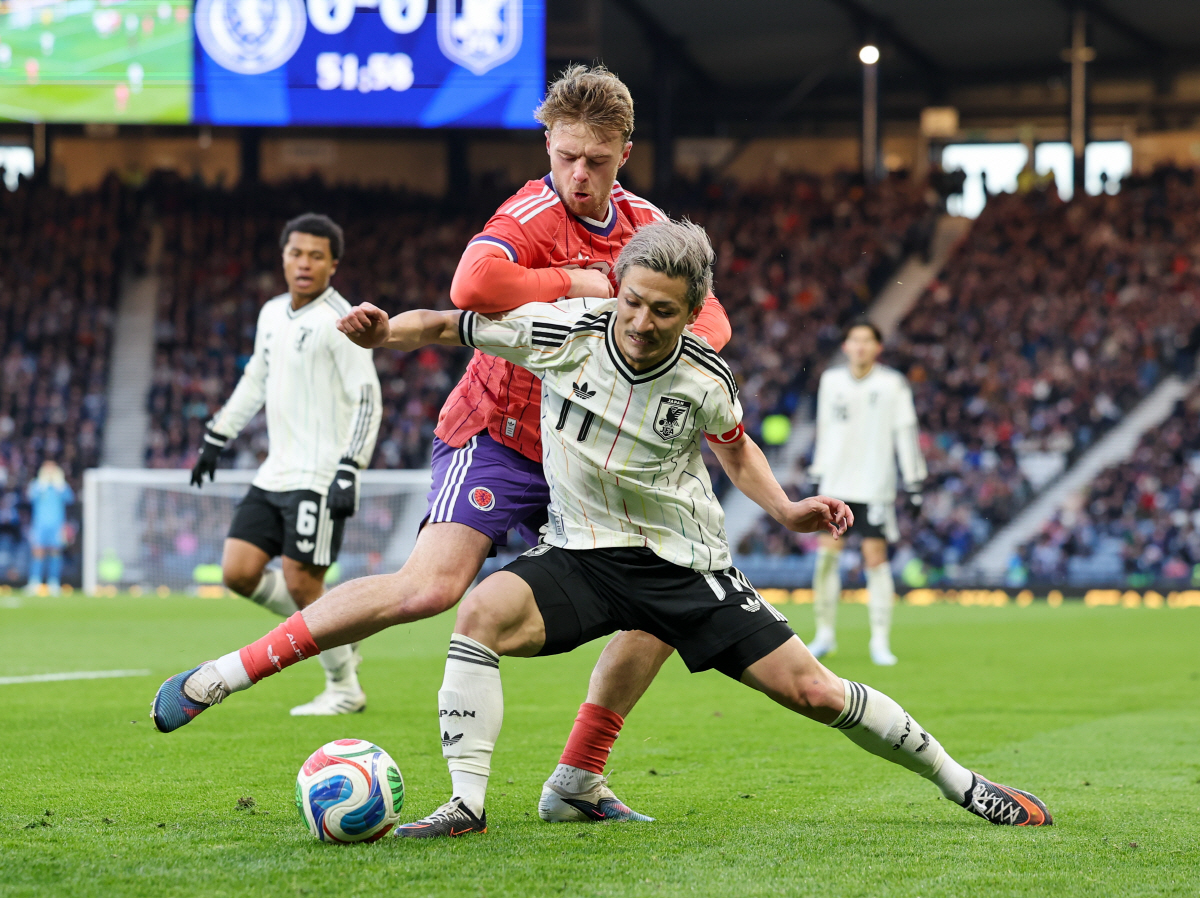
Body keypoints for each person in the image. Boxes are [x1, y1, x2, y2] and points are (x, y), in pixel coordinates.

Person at [154, 221, 1052, 836]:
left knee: (814, 693)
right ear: (617, 289)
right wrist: (385, 334)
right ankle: (466, 805)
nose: (643, 323)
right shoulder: (565, 332)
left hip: (681, 566)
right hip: (581, 553)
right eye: (633, 302)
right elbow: (454, 324)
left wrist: (786, 508)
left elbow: (735, 448)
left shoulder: (704, 377)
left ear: (691, 312)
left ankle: (963, 783)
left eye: (665, 311)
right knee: (477, 613)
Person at [153, 65, 730, 824]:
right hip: (499, 432)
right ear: (547, 145)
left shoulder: (648, 229)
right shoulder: (529, 212)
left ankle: (577, 780)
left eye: (596, 160)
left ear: (625, 151)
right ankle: (226, 674)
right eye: (565, 157)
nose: (579, 176)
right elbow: (472, 286)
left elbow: (713, 325)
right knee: (428, 588)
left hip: (589, 455)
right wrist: (581, 283)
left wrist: (625, 317)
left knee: (669, 593)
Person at [188, 213, 382, 716]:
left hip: (320, 477)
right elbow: (255, 378)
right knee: (238, 571)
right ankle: (337, 631)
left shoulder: (341, 321)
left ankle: (344, 687)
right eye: (296, 253)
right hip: (274, 472)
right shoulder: (272, 312)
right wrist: (216, 437)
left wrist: (350, 467)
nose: (304, 263)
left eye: (317, 256)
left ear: (333, 265)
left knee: (302, 584)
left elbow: (367, 397)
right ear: (283, 258)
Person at [806, 320, 926, 666]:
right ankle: (824, 635)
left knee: (876, 559)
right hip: (835, 485)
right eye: (854, 340)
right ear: (845, 346)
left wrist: (914, 481)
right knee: (826, 559)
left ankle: (880, 641)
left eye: (867, 341)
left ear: (878, 347)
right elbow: (824, 429)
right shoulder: (831, 381)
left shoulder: (892, 384)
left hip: (875, 485)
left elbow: (905, 431)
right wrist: (817, 473)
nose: (860, 346)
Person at [25, 460, 75, 595]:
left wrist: (61, 486)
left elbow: (70, 499)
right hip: (40, 525)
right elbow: (30, 497)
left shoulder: (60, 486)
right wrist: (41, 486)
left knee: (55, 552)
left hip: (57, 525)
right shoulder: (37, 485)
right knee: (38, 552)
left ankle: (54, 582)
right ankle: (34, 582)